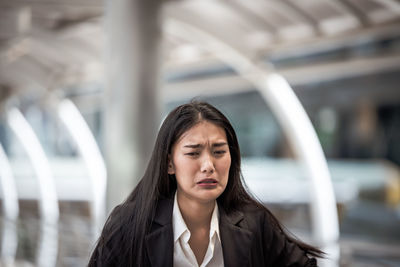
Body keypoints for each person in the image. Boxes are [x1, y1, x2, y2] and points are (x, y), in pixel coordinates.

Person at [88, 101, 323, 267]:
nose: (208, 165)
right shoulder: (130, 224)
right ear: (169, 164)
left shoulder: (254, 223)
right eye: (193, 153)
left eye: (219, 152)